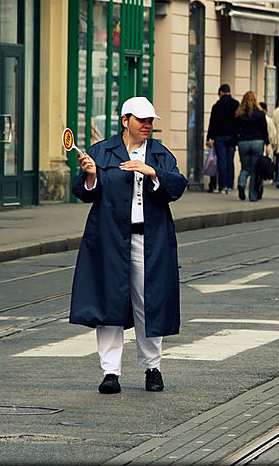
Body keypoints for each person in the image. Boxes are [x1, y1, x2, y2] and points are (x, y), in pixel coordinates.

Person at [70, 96, 188, 395]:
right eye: (142, 120)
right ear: (126, 121)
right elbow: (82, 193)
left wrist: (152, 173)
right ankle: (110, 372)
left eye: (151, 121)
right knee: (109, 303)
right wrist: (91, 176)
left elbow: (177, 186)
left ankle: (153, 368)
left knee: (149, 303)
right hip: (110, 239)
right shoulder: (102, 152)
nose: (148, 126)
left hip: (151, 241)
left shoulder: (159, 154)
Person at [235, 91, 270, 202]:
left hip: (243, 142)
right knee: (255, 170)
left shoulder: (239, 114)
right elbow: (264, 130)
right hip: (257, 142)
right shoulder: (260, 114)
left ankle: (241, 184)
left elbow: (235, 130)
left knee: (245, 168)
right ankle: (253, 195)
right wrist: (267, 144)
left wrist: (235, 142)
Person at [206, 84, 239, 194]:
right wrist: (236, 140)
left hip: (219, 137)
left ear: (220, 92)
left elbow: (213, 123)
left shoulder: (217, 105)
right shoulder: (236, 104)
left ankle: (222, 186)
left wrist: (210, 138)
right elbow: (237, 123)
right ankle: (230, 185)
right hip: (232, 137)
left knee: (222, 161)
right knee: (230, 161)